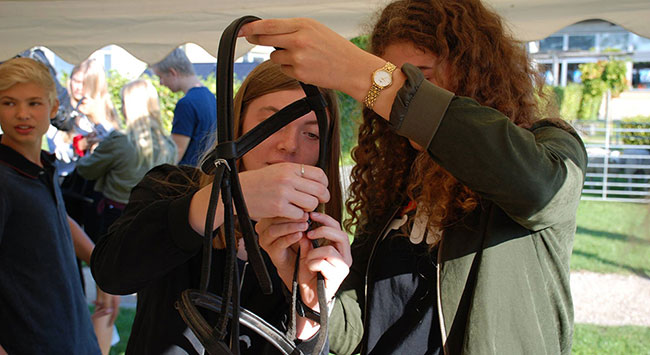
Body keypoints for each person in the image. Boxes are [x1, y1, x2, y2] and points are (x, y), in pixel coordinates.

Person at [242, 0, 589, 354]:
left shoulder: (548, 147)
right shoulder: (395, 179)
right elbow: (361, 328)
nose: (398, 92)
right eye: (391, 77)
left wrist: (365, 75)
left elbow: (540, 190)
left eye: (419, 76)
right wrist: (316, 298)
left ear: (473, 73)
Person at [91, 60, 351, 354]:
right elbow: (111, 273)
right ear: (237, 124)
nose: (289, 145)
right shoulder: (171, 186)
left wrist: (310, 309)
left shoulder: (312, 242)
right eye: (272, 123)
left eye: (312, 134)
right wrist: (219, 200)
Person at [0, 57, 101, 354]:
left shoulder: (41, 166)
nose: (22, 114)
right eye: (8, 103)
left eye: (34, 103)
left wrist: (101, 268)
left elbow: (53, 217)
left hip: (72, 333)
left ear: (54, 107)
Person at [151, 48, 217, 166]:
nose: (161, 83)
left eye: (160, 77)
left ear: (172, 73)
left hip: (187, 176)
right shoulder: (211, 97)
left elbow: (176, 153)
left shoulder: (186, 104)